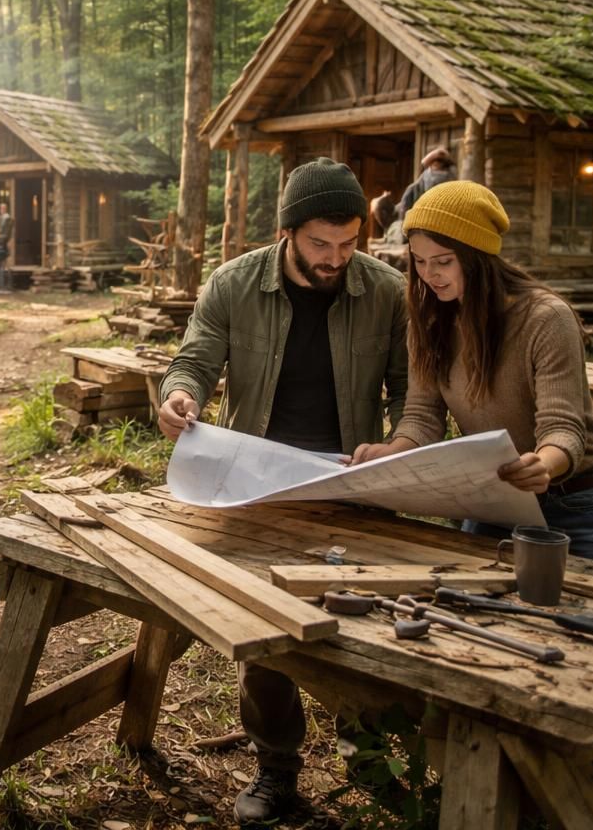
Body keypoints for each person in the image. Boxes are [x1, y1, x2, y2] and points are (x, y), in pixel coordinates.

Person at [156, 157, 408, 823]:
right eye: (321, 244)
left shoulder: (386, 290)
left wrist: (403, 443)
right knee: (265, 637)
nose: (335, 259)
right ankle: (277, 770)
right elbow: (197, 354)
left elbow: (415, 389)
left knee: (367, 626)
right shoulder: (234, 283)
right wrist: (178, 394)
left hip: (352, 485)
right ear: (288, 233)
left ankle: (371, 755)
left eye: (350, 243)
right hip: (258, 484)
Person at [352, 181, 593, 571]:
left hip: (582, 502)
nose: (429, 275)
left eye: (443, 261)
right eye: (420, 262)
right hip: (498, 500)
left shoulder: (545, 318)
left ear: (477, 256)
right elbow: (423, 416)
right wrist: (391, 454)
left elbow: (564, 428)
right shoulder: (428, 321)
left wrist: (543, 464)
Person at [398, 146, 455, 221]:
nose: (437, 164)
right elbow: (404, 213)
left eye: (440, 162)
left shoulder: (451, 178)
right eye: (435, 162)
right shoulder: (416, 187)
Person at [0, 202, 14, 289]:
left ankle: (4, 284)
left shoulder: (8, 219)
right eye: (1, 208)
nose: (2, 210)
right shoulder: (0, 218)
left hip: (4, 243)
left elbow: (7, 233)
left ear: (6, 209)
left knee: (4, 266)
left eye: (3, 208)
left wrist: (0, 236)